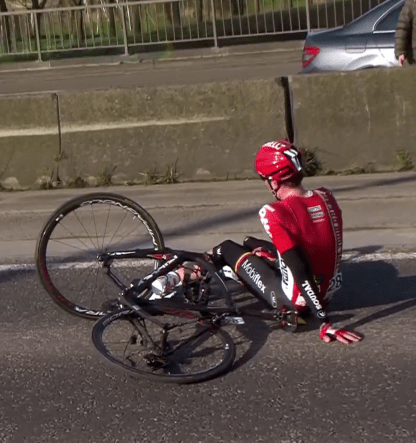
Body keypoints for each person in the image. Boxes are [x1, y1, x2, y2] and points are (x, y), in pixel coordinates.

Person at [153, 140, 363, 345]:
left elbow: (299, 268)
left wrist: (324, 321)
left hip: (294, 302)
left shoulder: (274, 213)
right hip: (327, 292)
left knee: (226, 248)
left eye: (264, 178)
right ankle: (233, 268)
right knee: (250, 242)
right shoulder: (326, 197)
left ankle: (181, 275)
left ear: (273, 180)